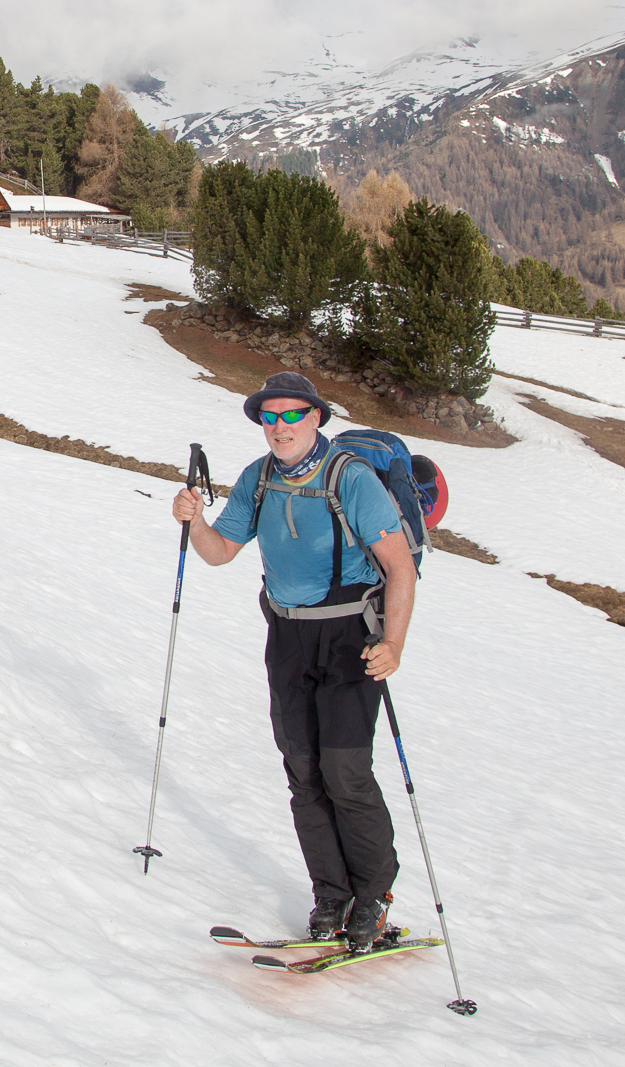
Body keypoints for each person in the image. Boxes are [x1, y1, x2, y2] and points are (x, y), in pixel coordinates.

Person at [171, 370, 416, 951]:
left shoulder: (350, 480)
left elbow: (400, 567)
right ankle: (331, 895)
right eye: (269, 417)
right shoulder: (258, 479)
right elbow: (221, 553)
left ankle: (373, 897)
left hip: (351, 638)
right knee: (304, 773)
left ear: (315, 418)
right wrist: (194, 521)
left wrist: (395, 645)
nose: (278, 427)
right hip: (286, 638)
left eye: (290, 415)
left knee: (346, 773)